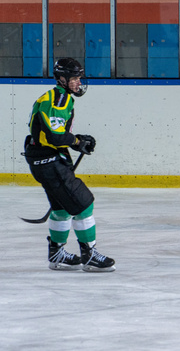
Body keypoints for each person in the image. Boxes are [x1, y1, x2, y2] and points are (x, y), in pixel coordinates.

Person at [24, 58, 115, 272]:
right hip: (49, 162)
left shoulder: (56, 96)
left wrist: (75, 141)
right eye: (74, 78)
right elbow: (56, 137)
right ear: (62, 79)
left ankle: (57, 254)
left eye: (79, 77)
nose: (78, 82)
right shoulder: (58, 100)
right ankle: (90, 256)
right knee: (84, 205)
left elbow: (52, 134)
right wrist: (76, 142)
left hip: (43, 159)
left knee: (62, 209)